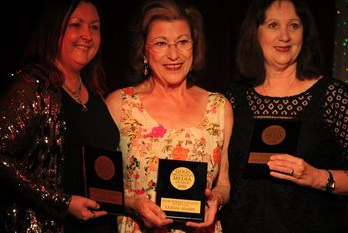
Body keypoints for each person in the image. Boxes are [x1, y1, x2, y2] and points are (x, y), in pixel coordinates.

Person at [219, 0, 348, 233]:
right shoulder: (233, 98)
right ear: (255, 32)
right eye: (273, 25)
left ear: (305, 33)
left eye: (294, 25)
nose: (285, 36)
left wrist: (317, 177)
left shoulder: (333, 96)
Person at [106, 0, 233, 232]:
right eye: (161, 43)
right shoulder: (120, 105)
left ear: (195, 47)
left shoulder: (219, 107)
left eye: (182, 42)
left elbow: (223, 182)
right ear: (144, 50)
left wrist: (217, 199)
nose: (173, 54)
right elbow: (99, 188)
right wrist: (134, 204)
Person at [0, 0, 119, 232]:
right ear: (53, 31)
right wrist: (62, 203)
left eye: (94, 27)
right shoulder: (32, 86)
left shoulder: (96, 95)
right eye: (76, 25)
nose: (87, 35)